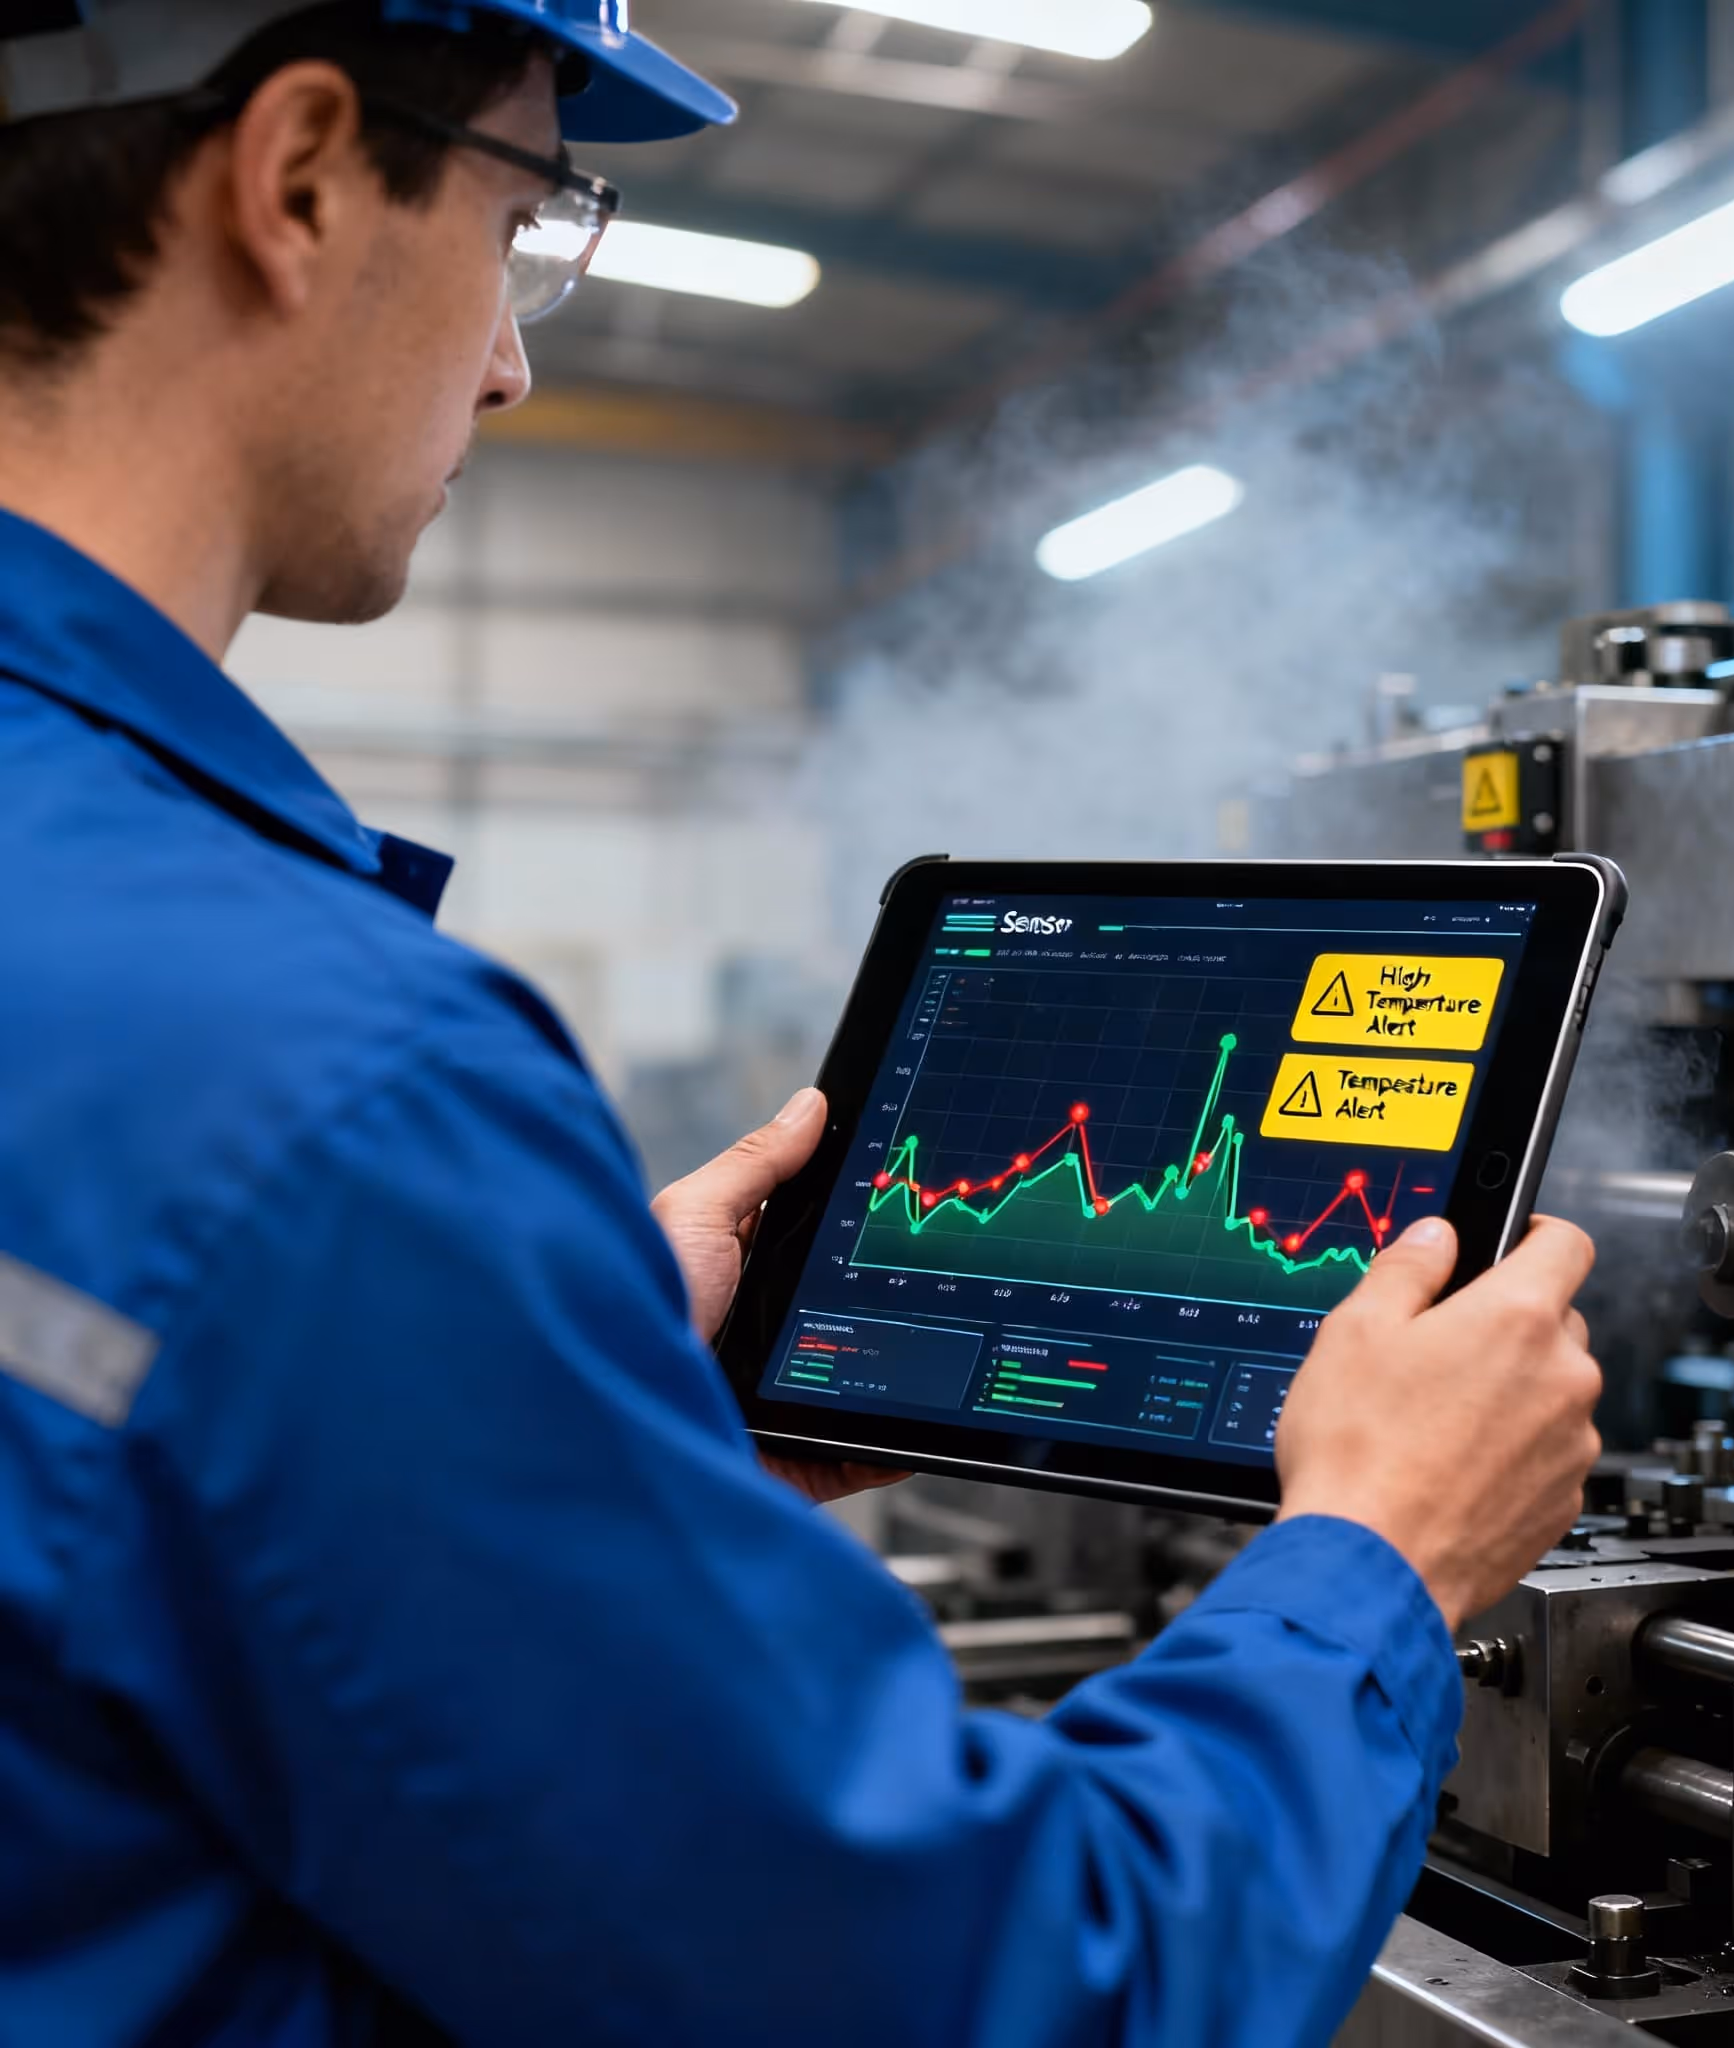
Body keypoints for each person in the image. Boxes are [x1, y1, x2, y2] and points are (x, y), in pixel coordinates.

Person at [0, 5, 1605, 2043]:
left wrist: (555, 1425)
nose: (506, 361)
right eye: (522, 219)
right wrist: (1381, 1557)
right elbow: (984, 1990)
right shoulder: (327, 1092)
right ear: (300, 177)